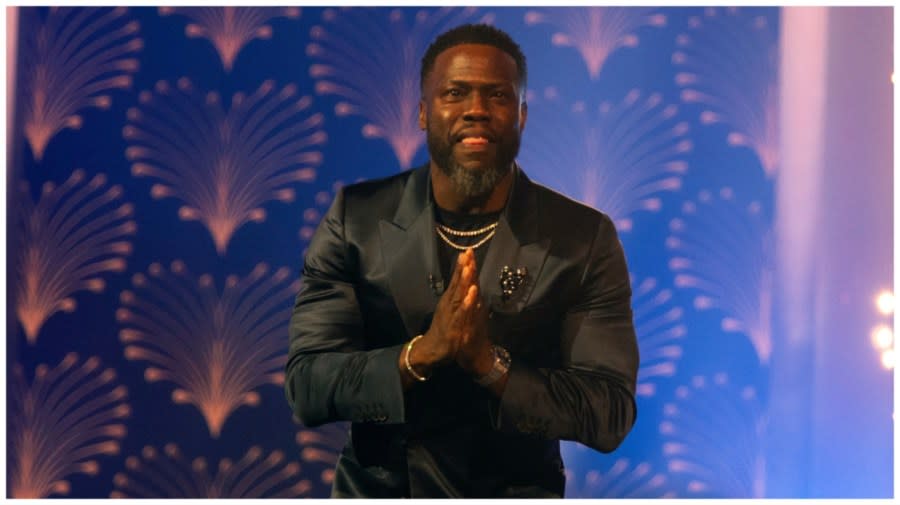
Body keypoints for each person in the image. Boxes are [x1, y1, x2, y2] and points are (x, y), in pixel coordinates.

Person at [285, 23, 638, 498]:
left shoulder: (582, 238)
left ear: (522, 116)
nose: (476, 110)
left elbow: (608, 411)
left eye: (497, 95)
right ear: (424, 114)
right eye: (455, 93)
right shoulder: (357, 220)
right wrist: (421, 354)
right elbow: (308, 387)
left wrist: (491, 367)